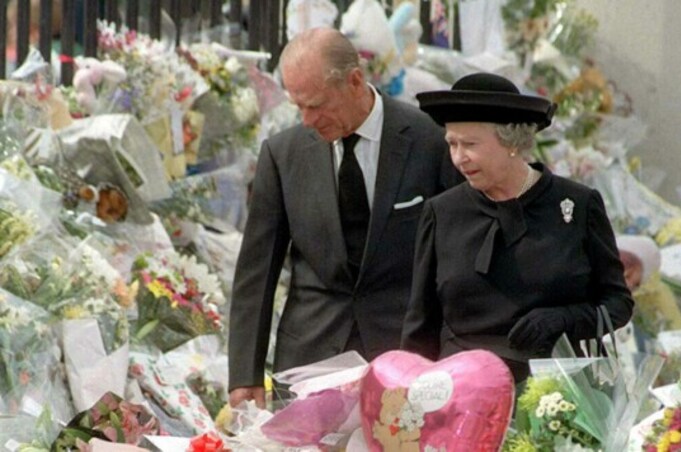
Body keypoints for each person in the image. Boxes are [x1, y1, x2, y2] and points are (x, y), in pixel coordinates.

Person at [227, 27, 460, 407]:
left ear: (355, 81)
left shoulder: (428, 140)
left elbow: (453, 258)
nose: (306, 119)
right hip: (310, 356)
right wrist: (244, 374)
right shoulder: (282, 155)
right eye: (297, 105)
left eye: (316, 104)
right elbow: (256, 271)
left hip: (403, 354)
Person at [400, 72, 634, 383]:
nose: (458, 158)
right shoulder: (442, 212)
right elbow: (421, 325)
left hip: (560, 394)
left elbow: (618, 304)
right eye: (452, 144)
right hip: (464, 394)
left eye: (470, 144)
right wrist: (409, 398)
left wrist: (564, 319)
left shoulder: (577, 204)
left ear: (511, 142)